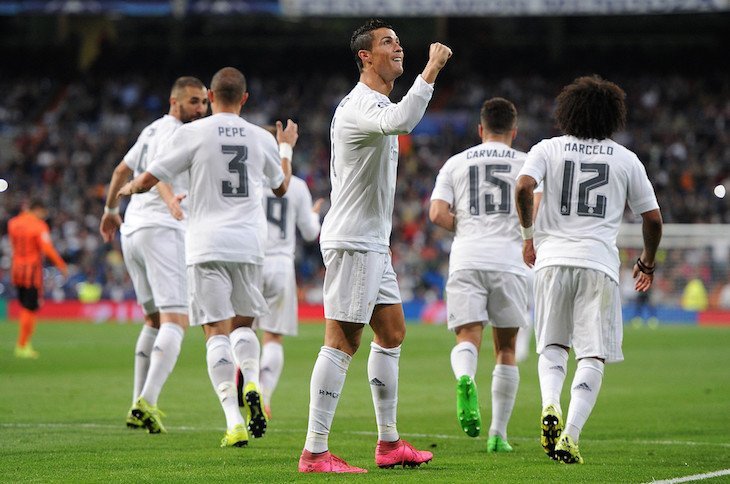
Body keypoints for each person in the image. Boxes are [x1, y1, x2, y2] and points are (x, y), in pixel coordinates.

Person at [298, 19, 452, 474]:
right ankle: (315, 452)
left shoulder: (376, 103)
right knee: (342, 340)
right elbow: (402, 121)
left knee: (391, 333)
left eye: (399, 41)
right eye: (388, 42)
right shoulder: (362, 104)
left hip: (370, 242)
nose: (398, 47)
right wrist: (432, 69)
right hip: (354, 240)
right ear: (365, 56)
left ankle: (388, 444)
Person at [117, 66, 296, 448]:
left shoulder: (192, 133)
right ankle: (252, 380)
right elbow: (282, 188)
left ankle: (233, 422)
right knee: (244, 326)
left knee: (215, 332)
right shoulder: (259, 136)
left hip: (205, 245)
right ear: (244, 99)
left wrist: (130, 188)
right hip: (249, 244)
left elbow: (149, 177)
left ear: (211, 97)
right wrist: (285, 148)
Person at [514, 75, 663, 464]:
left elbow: (523, 187)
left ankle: (550, 403)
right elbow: (653, 218)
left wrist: (529, 237)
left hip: (551, 260)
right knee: (592, 355)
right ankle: (571, 436)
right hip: (598, 263)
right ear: (613, 116)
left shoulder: (547, 148)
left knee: (552, 345)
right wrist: (647, 261)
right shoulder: (625, 159)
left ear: (568, 112)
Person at [99, 76, 208, 433]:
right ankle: (147, 401)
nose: (200, 109)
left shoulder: (150, 129)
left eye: (204, 102)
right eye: (194, 102)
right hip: (162, 229)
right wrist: (170, 201)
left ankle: (137, 403)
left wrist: (110, 210)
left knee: (154, 320)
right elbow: (156, 172)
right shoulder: (176, 132)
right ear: (175, 102)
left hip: (133, 230)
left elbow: (121, 170)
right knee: (176, 320)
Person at [429, 97, 527, 453]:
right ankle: (498, 435)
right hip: (509, 261)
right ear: (514, 131)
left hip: (467, 257)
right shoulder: (526, 163)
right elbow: (538, 209)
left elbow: (436, 213)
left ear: (480, 129)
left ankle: (465, 377)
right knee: (506, 348)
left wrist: (469, 226)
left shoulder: (455, 163)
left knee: (467, 337)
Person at [239, 166, 324, 419]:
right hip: (280, 264)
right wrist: (314, 216)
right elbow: (310, 232)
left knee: (243, 329)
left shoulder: (249, 180)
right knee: (273, 337)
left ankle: (247, 378)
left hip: (250, 260)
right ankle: (264, 396)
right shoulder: (297, 186)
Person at [8, 198, 68, 359]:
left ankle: (23, 344)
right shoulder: (38, 226)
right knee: (30, 307)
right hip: (31, 272)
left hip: (16, 269)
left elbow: (13, 244)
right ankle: (22, 345)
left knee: (25, 305)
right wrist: (61, 265)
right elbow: (47, 248)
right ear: (38, 209)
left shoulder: (13, 223)